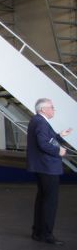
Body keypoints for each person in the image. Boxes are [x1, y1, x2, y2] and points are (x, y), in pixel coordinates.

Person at [27, 98, 73, 245]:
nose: (54, 109)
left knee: (42, 199)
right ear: (43, 109)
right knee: (50, 202)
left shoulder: (37, 120)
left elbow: (46, 139)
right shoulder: (41, 122)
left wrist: (59, 136)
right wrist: (58, 150)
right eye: (52, 107)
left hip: (41, 166)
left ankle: (38, 232)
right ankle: (46, 234)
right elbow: (43, 144)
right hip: (47, 166)